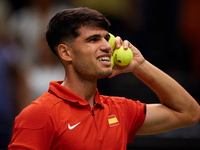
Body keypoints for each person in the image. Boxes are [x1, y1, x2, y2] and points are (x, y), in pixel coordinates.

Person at [8, 7, 200, 149]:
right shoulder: (37, 115)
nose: (107, 47)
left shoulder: (120, 110)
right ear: (66, 53)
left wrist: (140, 65)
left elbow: (189, 113)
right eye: (93, 39)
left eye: (105, 38)